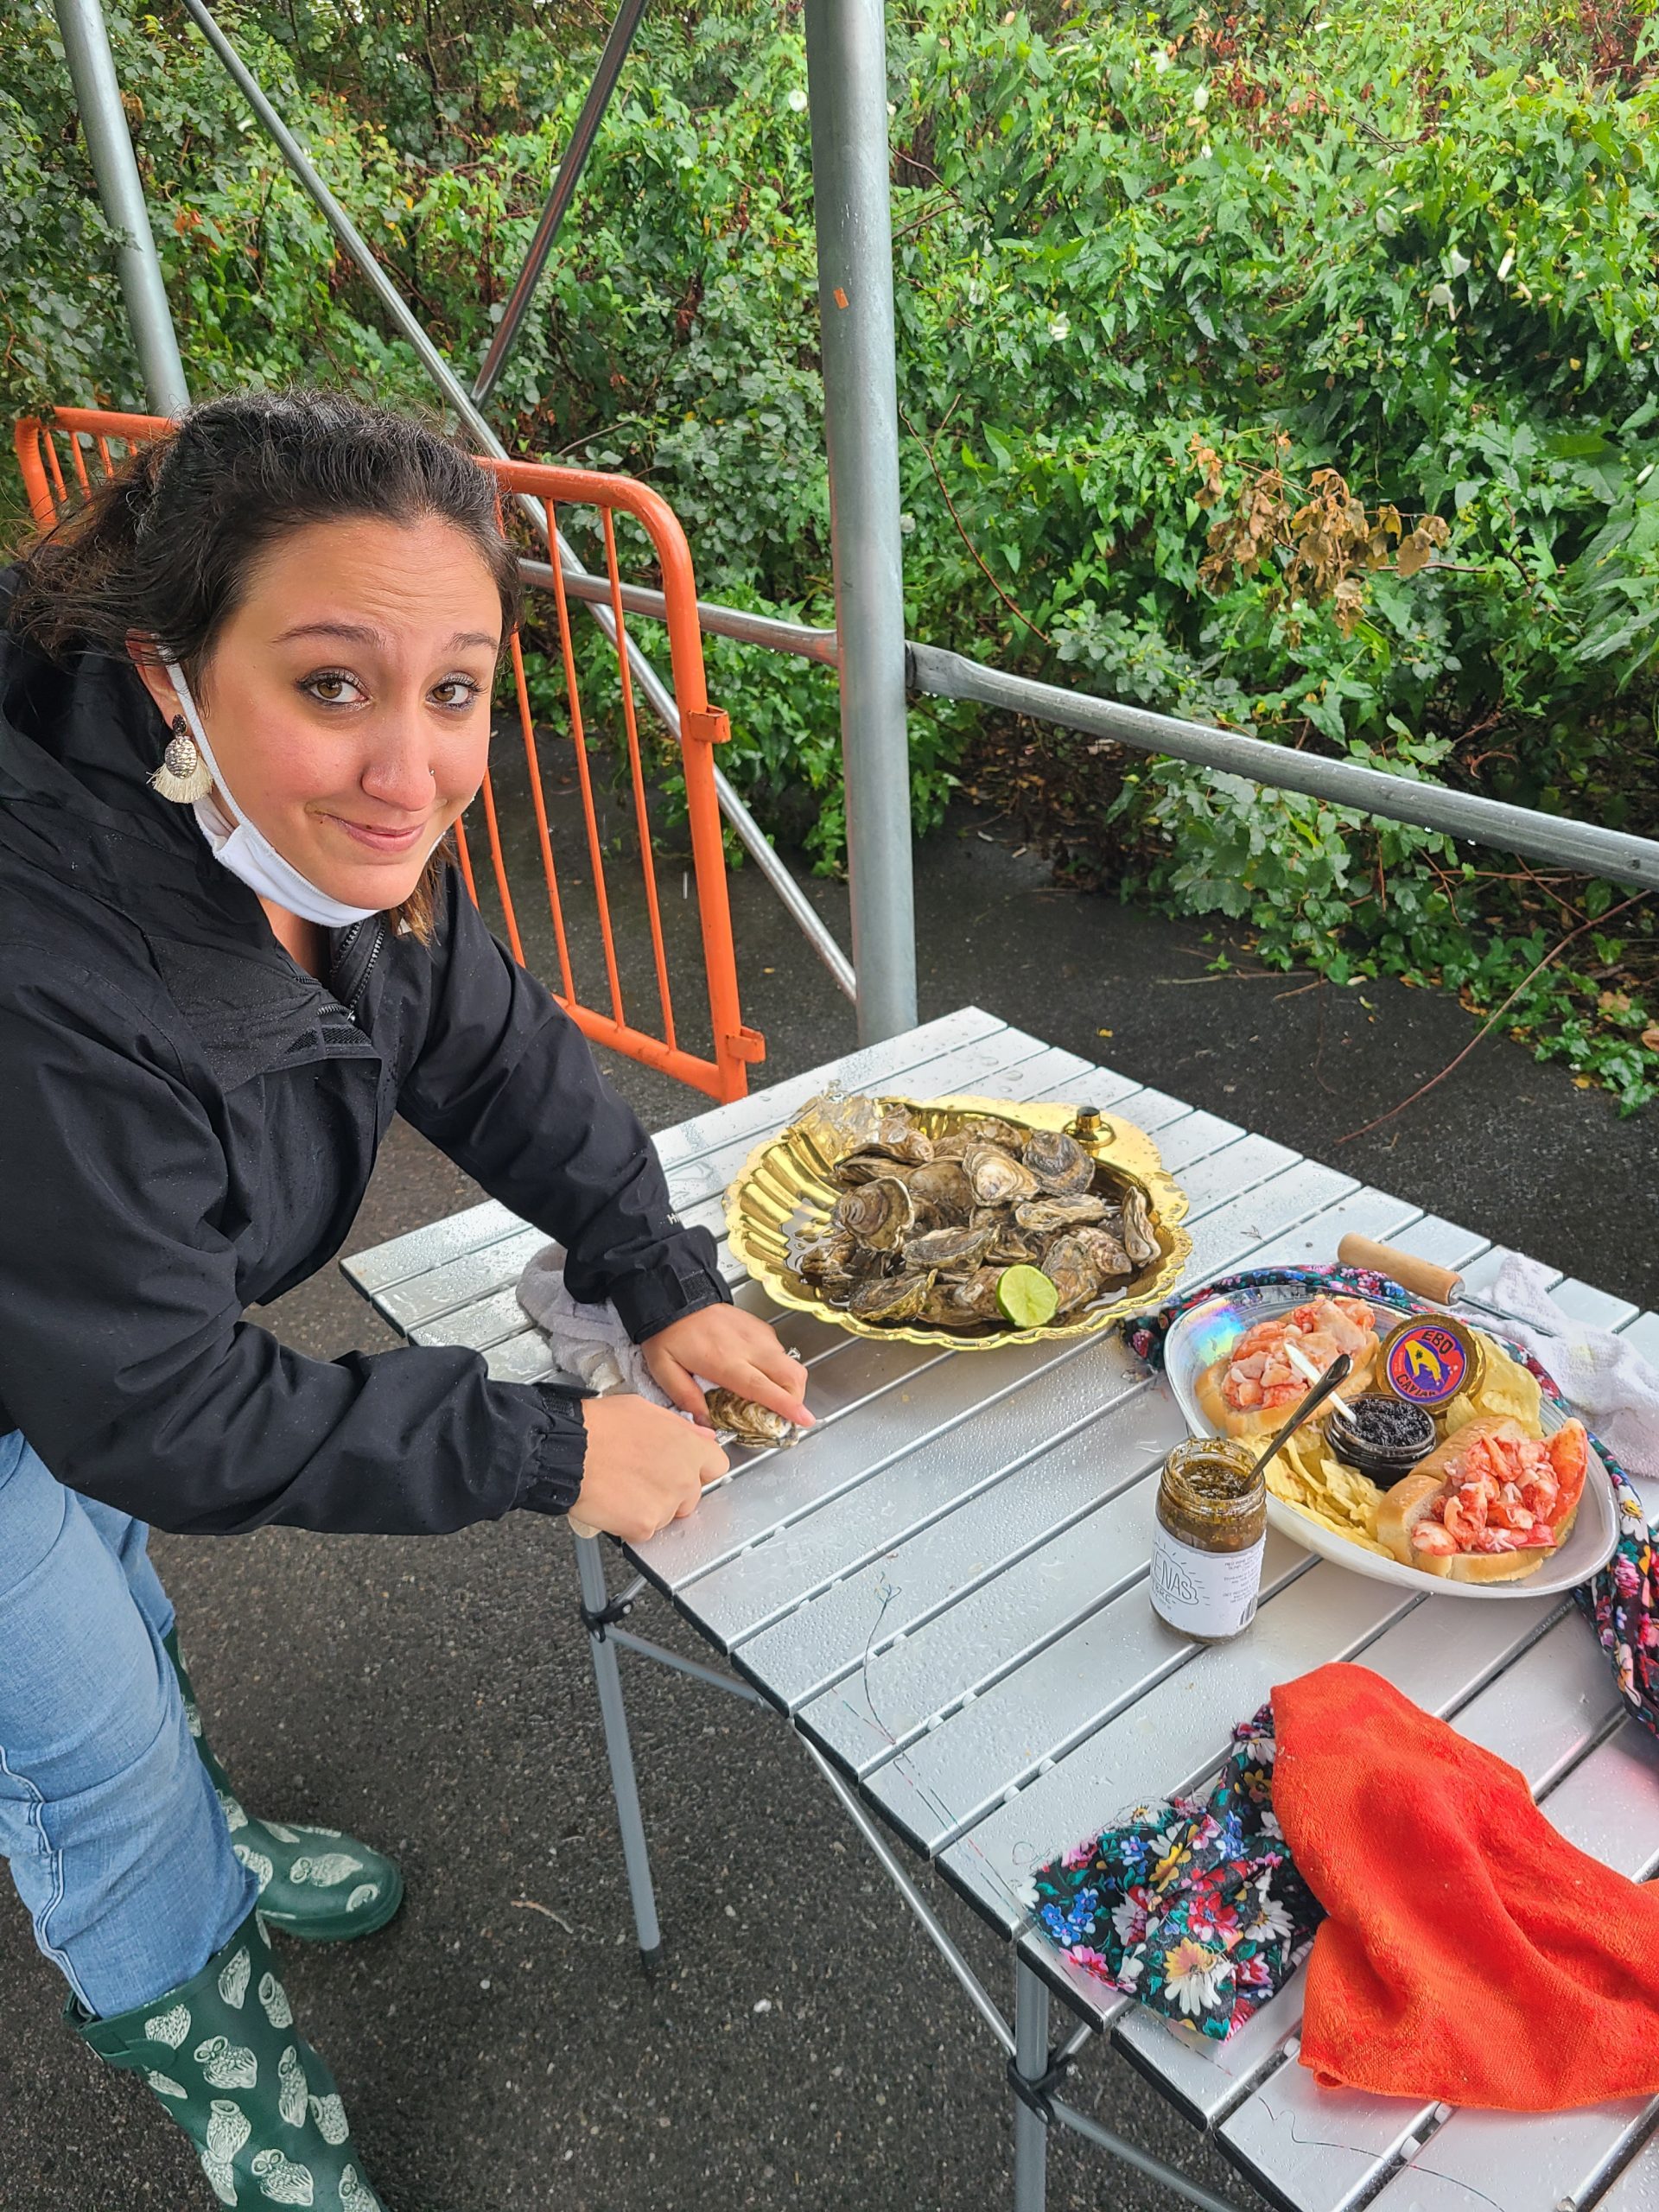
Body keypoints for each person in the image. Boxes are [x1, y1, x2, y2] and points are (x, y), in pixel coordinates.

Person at [0, 391, 812, 2212]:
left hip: (71, 1328)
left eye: (453, 691)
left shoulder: (317, 862)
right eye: (334, 683)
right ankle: (204, 2025)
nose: (410, 769)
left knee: (113, 1585)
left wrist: (657, 1277)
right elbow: (158, 1404)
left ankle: (194, 1843)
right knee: (79, 1740)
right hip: (52, 1363)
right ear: (167, 668)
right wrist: (548, 1446)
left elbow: (494, 1050)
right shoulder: (41, 951)